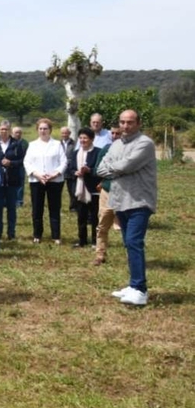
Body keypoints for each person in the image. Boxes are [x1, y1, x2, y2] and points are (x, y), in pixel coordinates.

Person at [97, 110, 157, 306]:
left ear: (138, 123)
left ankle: (140, 289)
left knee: (134, 242)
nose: (125, 126)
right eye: (122, 122)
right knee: (128, 243)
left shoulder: (144, 143)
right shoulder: (115, 144)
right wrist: (116, 168)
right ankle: (133, 285)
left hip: (139, 200)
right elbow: (101, 168)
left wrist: (114, 168)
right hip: (120, 200)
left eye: (130, 122)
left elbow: (127, 165)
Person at [24, 118, 66, 244]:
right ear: (37, 130)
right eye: (41, 129)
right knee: (37, 208)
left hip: (54, 180)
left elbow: (63, 162)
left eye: (45, 128)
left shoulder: (57, 144)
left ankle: (56, 235)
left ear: (50, 130)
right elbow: (27, 162)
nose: (43, 131)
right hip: (37, 180)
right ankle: (37, 234)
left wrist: (54, 174)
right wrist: (37, 174)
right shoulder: (32, 145)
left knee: (54, 208)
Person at [92, 125, 122, 265]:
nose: (115, 136)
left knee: (126, 225)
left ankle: (131, 254)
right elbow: (98, 169)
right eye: (113, 133)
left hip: (125, 192)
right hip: (107, 191)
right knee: (103, 223)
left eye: (118, 133)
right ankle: (100, 254)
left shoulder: (130, 150)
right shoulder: (106, 149)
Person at [67, 127, 101, 248]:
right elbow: (70, 168)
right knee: (81, 216)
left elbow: (100, 170)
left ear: (91, 139)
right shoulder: (76, 153)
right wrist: (74, 173)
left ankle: (95, 241)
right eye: (80, 138)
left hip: (93, 188)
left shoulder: (98, 152)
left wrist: (89, 170)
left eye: (85, 138)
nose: (82, 140)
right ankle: (82, 240)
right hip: (79, 188)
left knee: (94, 217)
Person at [0, 120, 25, 241]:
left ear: (10, 130)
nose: (4, 131)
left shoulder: (17, 144)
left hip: (12, 181)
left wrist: (11, 163)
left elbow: (23, 161)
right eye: (1, 129)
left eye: (6, 129)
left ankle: (11, 233)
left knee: (12, 208)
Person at [60, 126, 77, 212]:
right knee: (57, 191)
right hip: (60, 170)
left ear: (69, 134)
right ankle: (57, 207)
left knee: (72, 191)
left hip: (70, 170)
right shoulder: (57, 144)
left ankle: (73, 207)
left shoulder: (75, 144)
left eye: (66, 133)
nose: (64, 135)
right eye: (63, 133)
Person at [12, 126, 29, 206]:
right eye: (16, 132)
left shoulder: (25, 143)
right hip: (11, 165)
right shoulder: (10, 142)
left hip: (21, 165)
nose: (18, 134)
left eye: (19, 132)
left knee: (20, 183)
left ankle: (19, 201)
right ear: (12, 133)